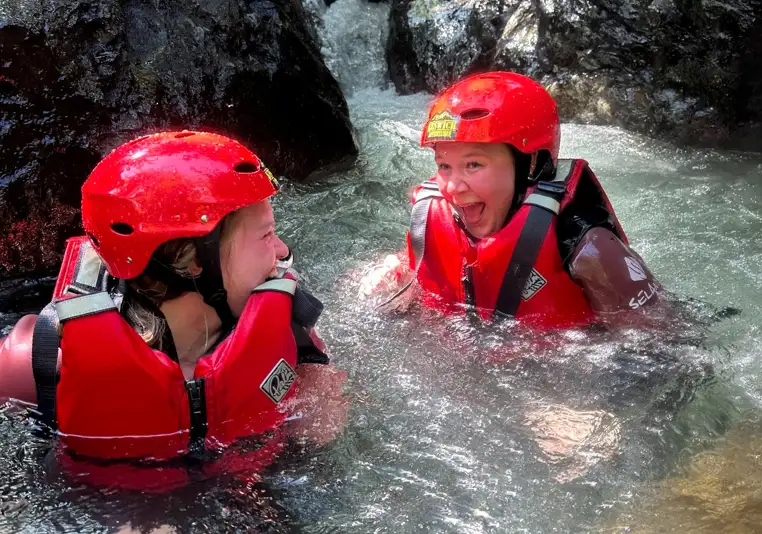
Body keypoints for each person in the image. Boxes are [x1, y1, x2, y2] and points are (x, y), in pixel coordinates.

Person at [0, 131, 348, 491]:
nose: (281, 250)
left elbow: (320, 428)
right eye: (265, 235)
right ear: (195, 260)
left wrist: (317, 406)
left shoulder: (289, 331)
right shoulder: (37, 364)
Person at [360, 71, 663, 328]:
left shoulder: (588, 245)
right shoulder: (431, 219)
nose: (451, 187)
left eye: (473, 165)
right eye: (444, 166)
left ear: (531, 166)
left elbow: (661, 347)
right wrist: (394, 274)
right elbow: (432, 265)